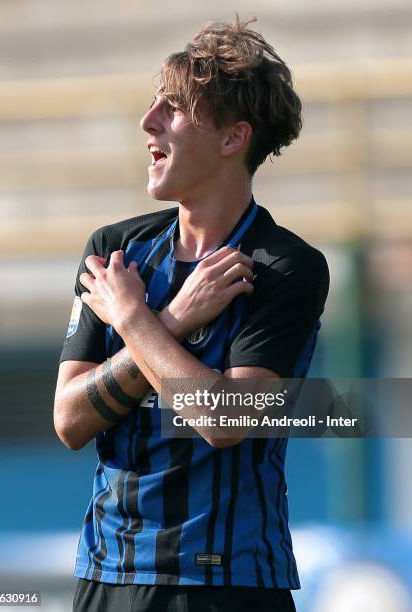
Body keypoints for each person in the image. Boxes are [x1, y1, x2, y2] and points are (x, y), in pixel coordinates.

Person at [54, 15, 329, 612]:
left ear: (233, 139)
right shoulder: (114, 253)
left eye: (173, 109)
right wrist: (169, 320)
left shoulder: (285, 267)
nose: (148, 122)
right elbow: (70, 420)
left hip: (227, 585)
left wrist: (132, 319)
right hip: (107, 576)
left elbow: (227, 420)